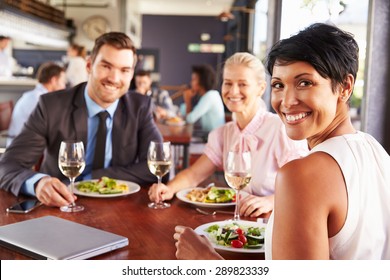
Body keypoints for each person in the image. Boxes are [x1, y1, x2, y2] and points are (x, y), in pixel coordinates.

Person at [173, 23, 390, 260]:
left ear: (345, 88)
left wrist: (204, 260)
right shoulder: (376, 151)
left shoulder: (301, 175)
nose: (286, 102)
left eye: (304, 83)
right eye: (279, 85)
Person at [0, 32, 163, 208]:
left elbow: (157, 165)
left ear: (131, 75)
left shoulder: (140, 107)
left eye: (124, 70)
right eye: (106, 66)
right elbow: (8, 166)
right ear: (88, 65)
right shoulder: (51, 106)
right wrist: (38, 183)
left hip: (120, 207)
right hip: (59, 206)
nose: (114, 78)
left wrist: (95, 177)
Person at [149, 52, 308, 217]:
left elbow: (304, 187)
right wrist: (169, 188)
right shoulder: (222, 134)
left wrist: (270, 201)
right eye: (228, 83)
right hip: (241, 220)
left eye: (242, 84)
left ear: (261, 88)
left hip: (279, 221)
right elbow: (194, 174)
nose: (233, 91)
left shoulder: (281, 129)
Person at [7, 62, 66, 146]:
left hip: (24, 143)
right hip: (23, 148)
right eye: (63, 81)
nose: (64, 86)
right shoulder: (40, 100)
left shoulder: (34, 95)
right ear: (54, 80)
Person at [180, 64, 225, 136]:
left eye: (193, 80)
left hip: (215, 140)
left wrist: (187, 100)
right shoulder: (208, 96)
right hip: (209, 137)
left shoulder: (210, 96)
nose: (191, 83)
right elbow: (184, 113)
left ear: (202, 81)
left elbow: (190, 119)